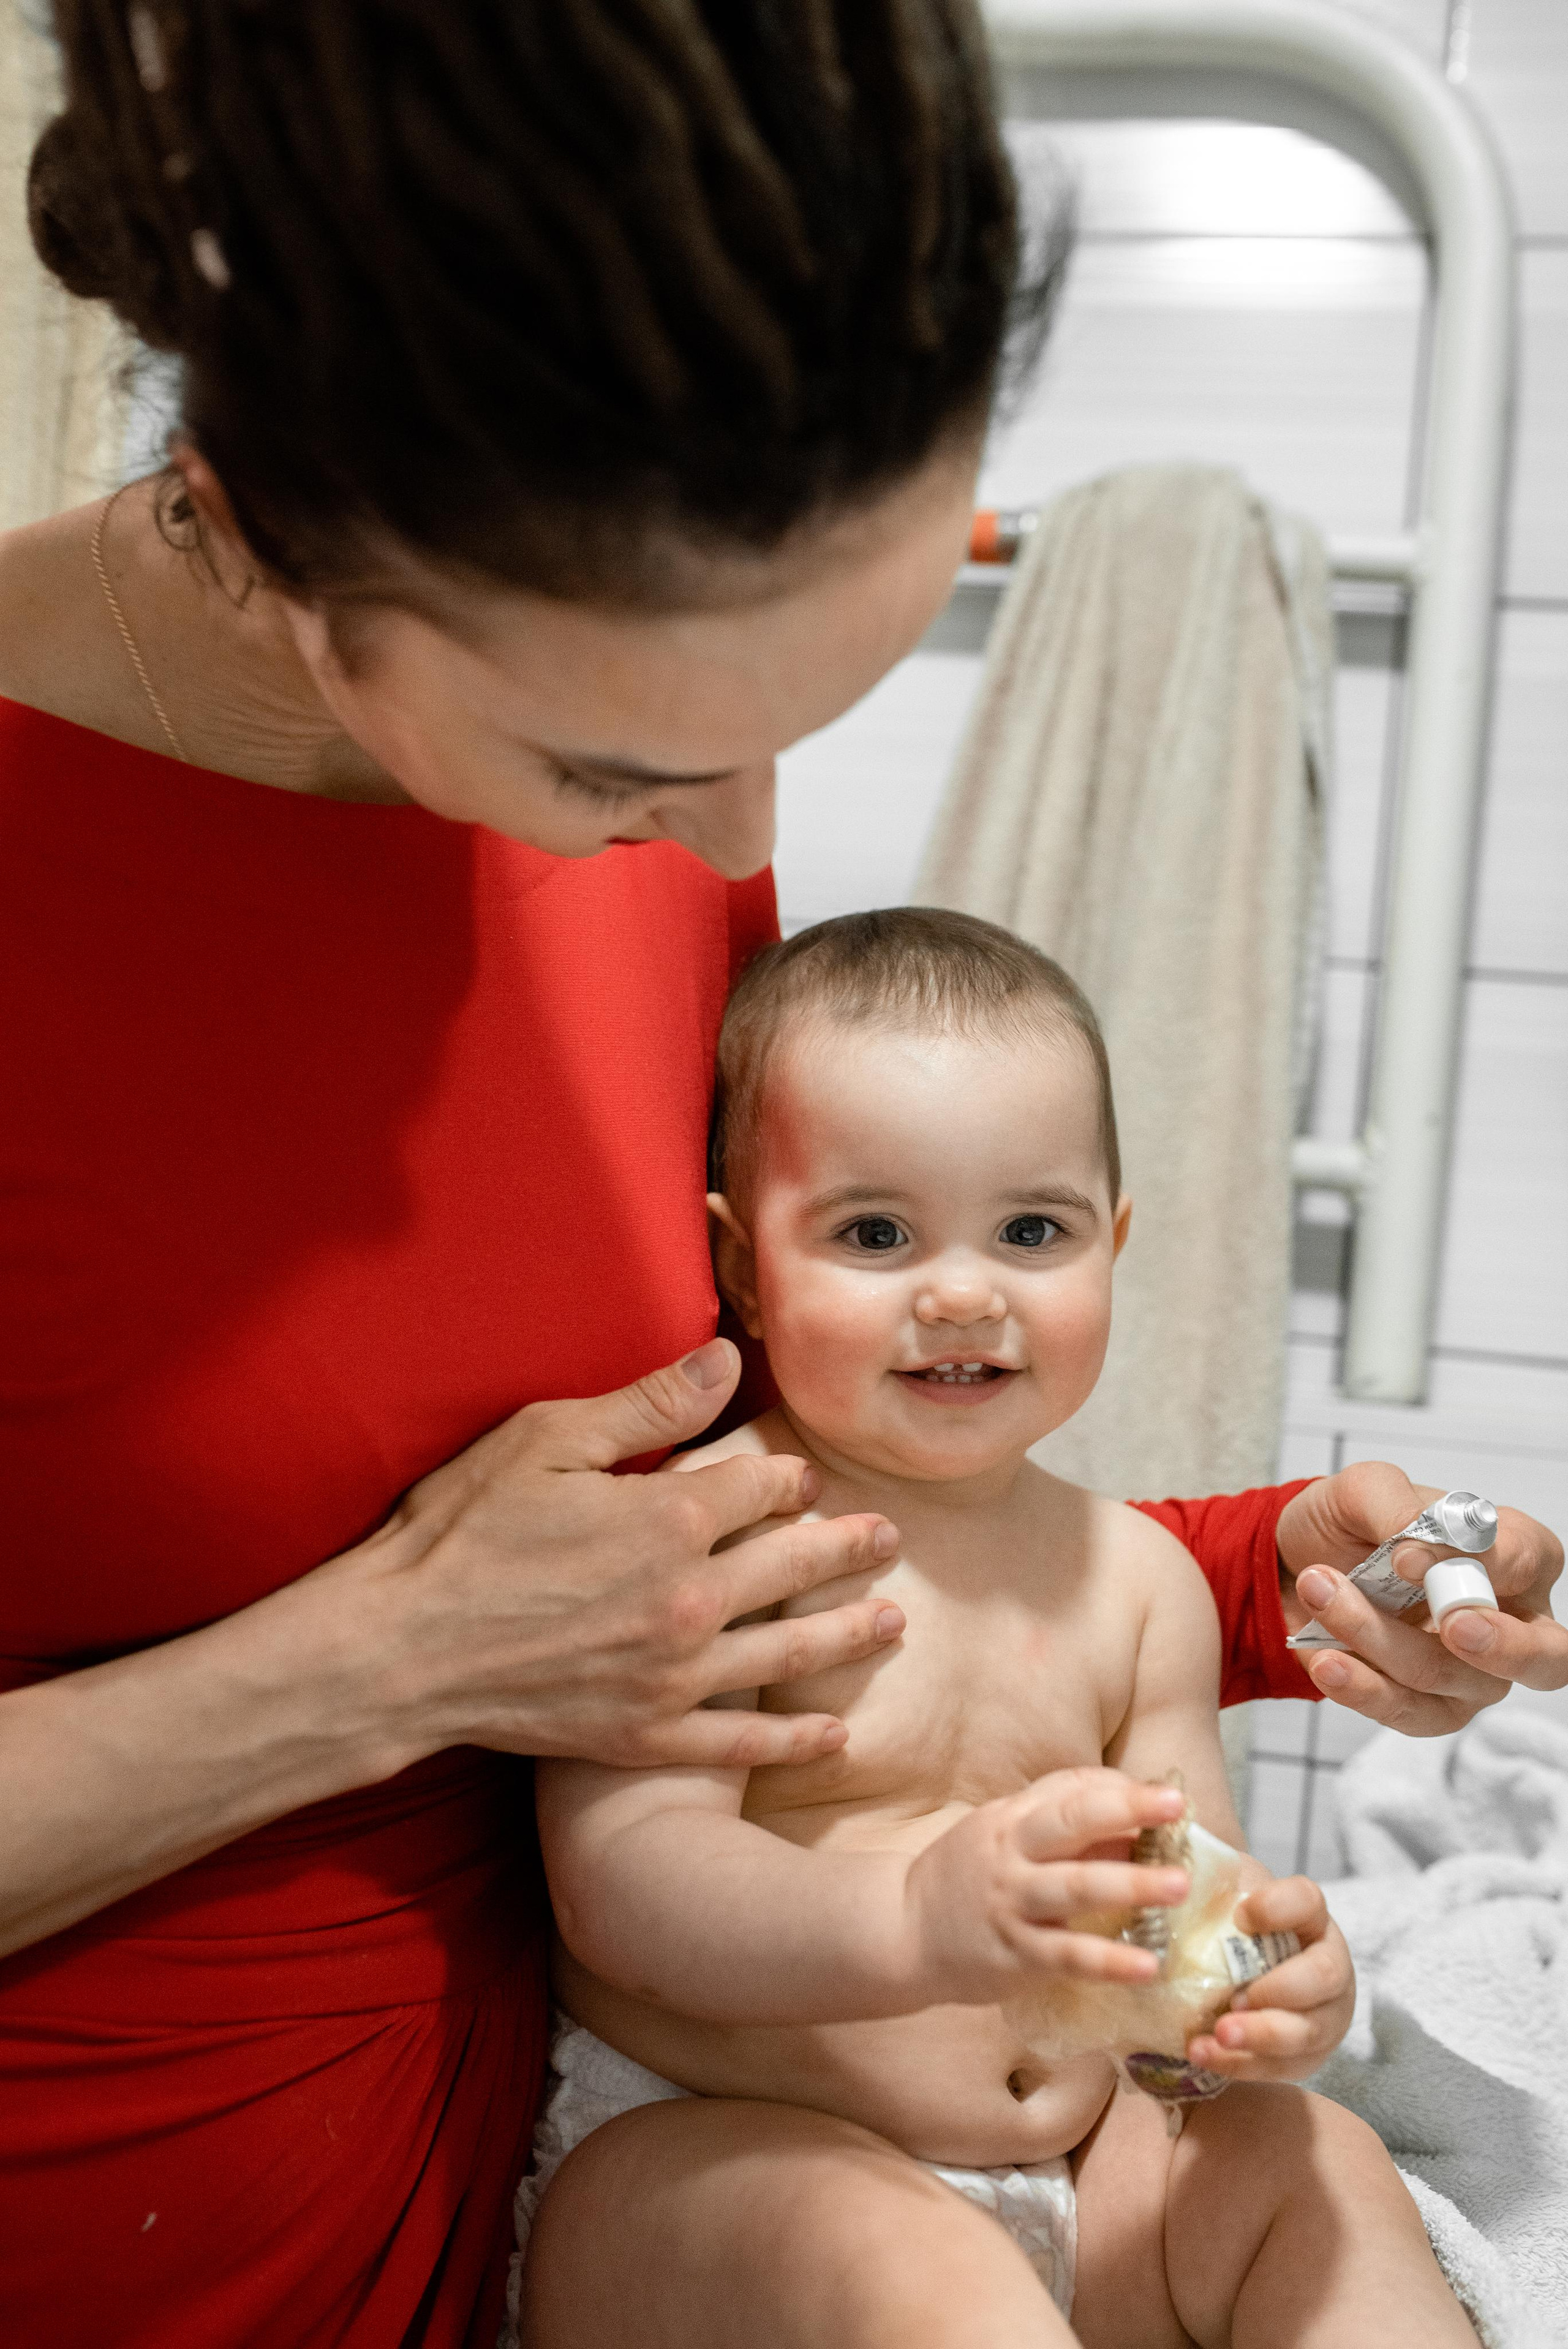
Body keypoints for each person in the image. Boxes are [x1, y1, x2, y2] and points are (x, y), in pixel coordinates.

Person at [0, 6, 1559, 2345]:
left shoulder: (642, 789)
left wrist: (1265, 1587)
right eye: (624, 756)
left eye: (787, 734)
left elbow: (775, 1501)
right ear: (265, 530)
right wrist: (374, 1665)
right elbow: (479, 1599)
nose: (730, 844)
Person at [518, 910, 1475, 2349]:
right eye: (872, 1231)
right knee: (891, 2260)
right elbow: (624, 1884)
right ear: (741, 1267)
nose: (962, 1290)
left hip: (1081, 2179)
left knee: (1306, 2162)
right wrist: (905, 1921)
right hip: (719, 2164)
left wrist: (1259, 2000)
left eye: (1031, 1231)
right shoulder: (711, 1539)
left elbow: (1172, 1947)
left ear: (1113, 1244)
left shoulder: (1134, 1579)